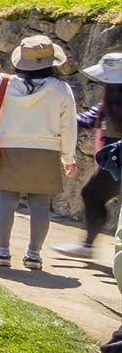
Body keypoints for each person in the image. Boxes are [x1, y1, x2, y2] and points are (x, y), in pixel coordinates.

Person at [0, 34, 79, 271]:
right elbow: (69, 126)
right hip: (46, 150)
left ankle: (2, 252)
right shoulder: (61, 89)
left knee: (5, 201)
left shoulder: (2, 83)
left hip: (8, 147)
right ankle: (33, 255)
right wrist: (68, 158)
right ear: (51, 62)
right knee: (40, 204)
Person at [54, 51, 122, 264]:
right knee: (93, 195)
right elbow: (93, 116)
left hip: (117, 158)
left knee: (92, 194)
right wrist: (63, 122)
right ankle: (88, 246)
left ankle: (87, 247)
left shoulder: (117, 95)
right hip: (113, 158)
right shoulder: (113, 94)